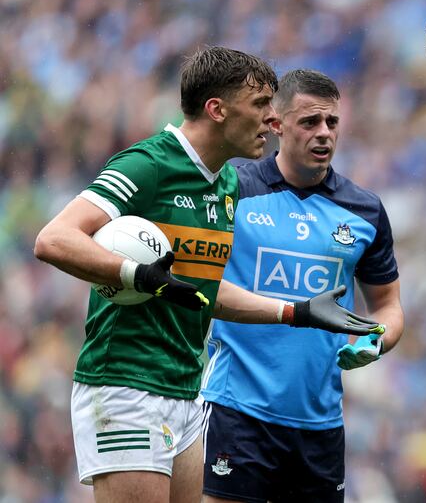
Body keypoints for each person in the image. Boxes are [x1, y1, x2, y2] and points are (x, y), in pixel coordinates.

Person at [33, 48, 381, 503]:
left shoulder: (227, 185)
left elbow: (203, 293)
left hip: (185, 391)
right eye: (261, 105)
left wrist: (297, 312)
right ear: (217, 109)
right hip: (126, 383)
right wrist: (138, 274)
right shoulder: (150, 165)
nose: (273, 119)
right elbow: (54, 239)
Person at [200, 69, 404, 503]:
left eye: (331, 122)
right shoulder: (234, 189)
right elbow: (203, 286)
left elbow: (388, 306)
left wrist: (377, 340)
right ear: (276, 125)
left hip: (320, 425)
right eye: (310, 122)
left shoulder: (364, 211)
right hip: (237, 409)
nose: (323, 132)